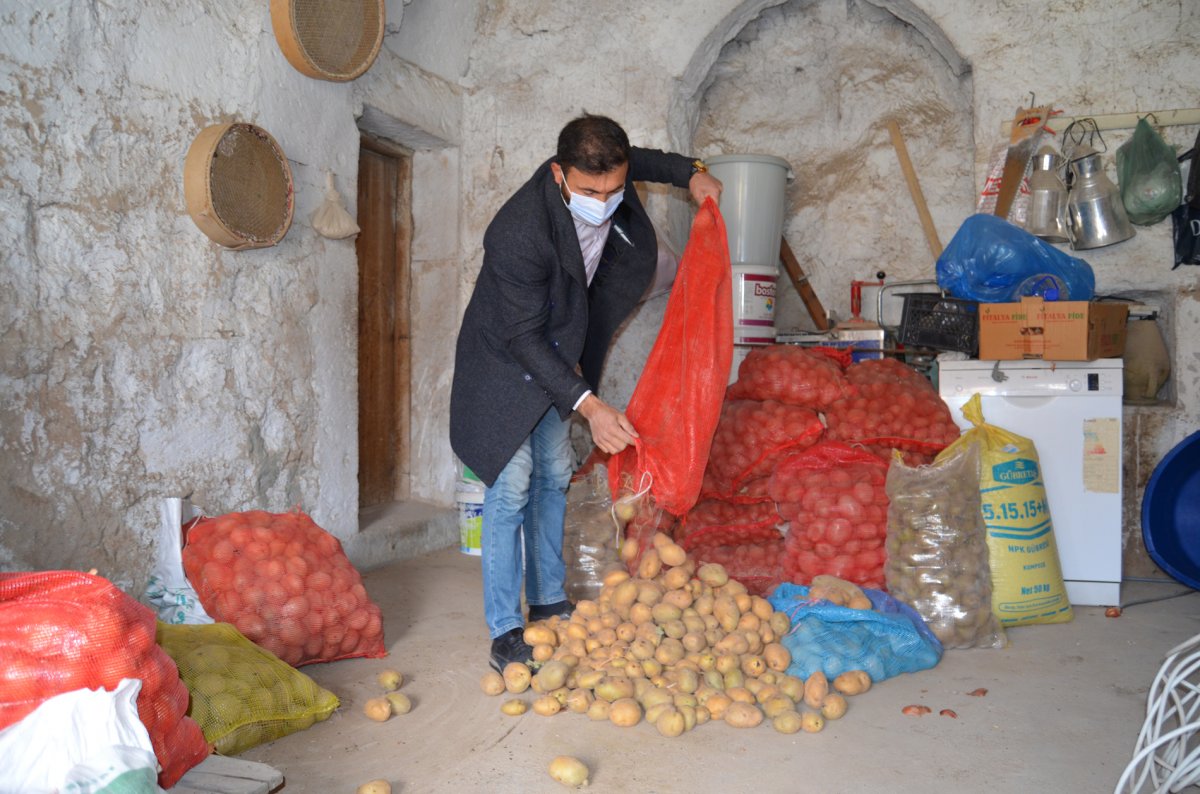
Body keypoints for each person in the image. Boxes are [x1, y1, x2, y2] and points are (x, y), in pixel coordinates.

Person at [449, 113, 723, 672]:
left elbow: (645, 160)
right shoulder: (518, 231)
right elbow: (521, 336)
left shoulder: (610, 170)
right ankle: (505, 630)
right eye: (590, 190)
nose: (603, 199)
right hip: (505, 361)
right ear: (558, 174)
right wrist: (589, 405)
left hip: (557, 354)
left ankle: (549, 601)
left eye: (614, 189)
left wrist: (693, 172)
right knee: (512, 485)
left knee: (553, 472)